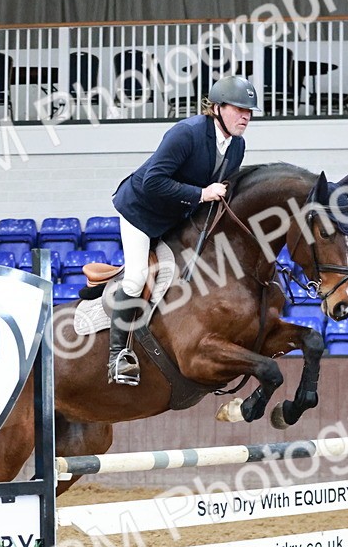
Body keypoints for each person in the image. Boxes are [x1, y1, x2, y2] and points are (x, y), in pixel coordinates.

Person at [107, 74, 258, 386]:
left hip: (176, 216)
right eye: (239, 109)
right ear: (217, 108)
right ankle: (117, 356)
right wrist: (201, 193)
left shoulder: (237, 146)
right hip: (141, 212)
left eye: (249, 111)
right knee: (136, 277)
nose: (246, 116)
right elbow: (154, 181)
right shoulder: (186, 133)